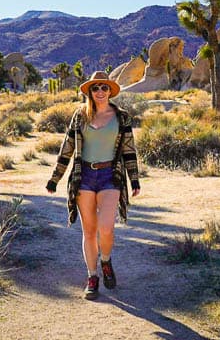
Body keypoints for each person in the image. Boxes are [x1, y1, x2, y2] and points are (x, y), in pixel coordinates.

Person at [46, 70, 141, 300]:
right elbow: (67, 148)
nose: (100, 91)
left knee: (106, 227)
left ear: (110, 91)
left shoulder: (122, 117)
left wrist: (134, 179)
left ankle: (106, 260)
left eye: (104, 87)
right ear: (90, 91)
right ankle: (92, 276)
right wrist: (55, 178)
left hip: (110, 175)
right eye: (95, 88)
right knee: (89, 231)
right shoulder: (80, 116)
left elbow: (129, 150)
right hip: (84, 176)